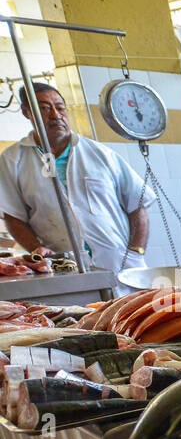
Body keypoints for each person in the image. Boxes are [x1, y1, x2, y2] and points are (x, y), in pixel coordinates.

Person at [0, 82, 153, 288]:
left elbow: (138, 205)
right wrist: (36, 249)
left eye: (60, 107)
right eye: (44, 108)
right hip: (64, 269)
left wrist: (136, 251)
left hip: (122, 265)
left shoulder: (100, 154)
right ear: (27, 112)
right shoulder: (13, 160)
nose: (55, 115)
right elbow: (13, 216)